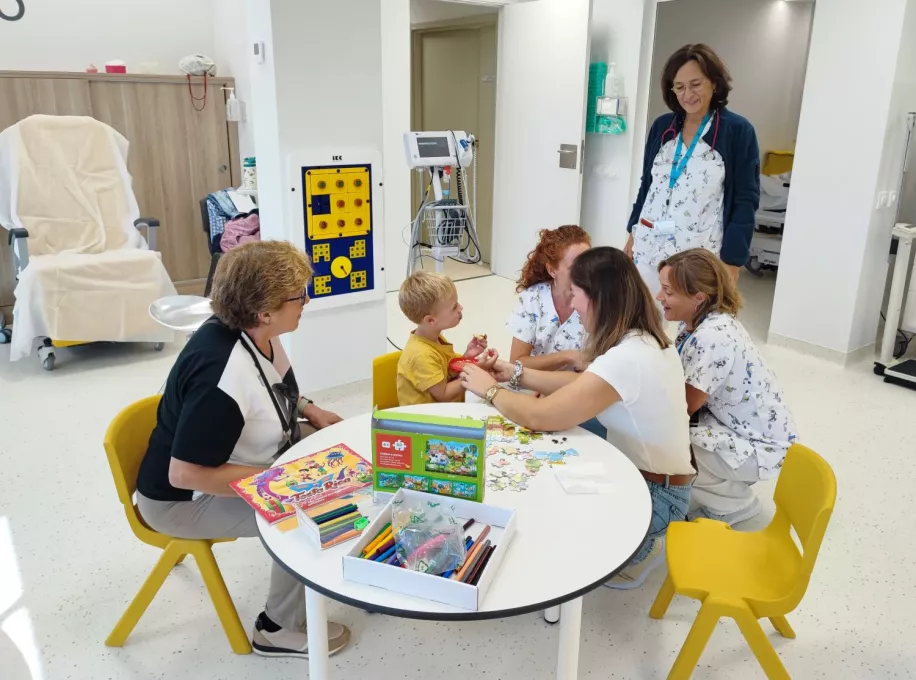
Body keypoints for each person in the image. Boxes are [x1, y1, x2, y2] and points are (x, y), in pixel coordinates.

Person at [135, 241, 350, 659]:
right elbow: (185, 474)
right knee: (304, 514)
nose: (306, 301)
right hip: (180, 499)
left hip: (243, 456)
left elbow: (276, 388)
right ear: (264, 311)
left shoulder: (255, 333)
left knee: (336, 449)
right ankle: (276, 629)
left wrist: (310, 410)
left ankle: (346, 562)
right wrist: (281, 484)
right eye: (299, 296)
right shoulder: (221, 374)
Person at [461, 247, 693, 589]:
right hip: (652, 480)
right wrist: (514, 373)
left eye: (576, 295)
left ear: (597, 298)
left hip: (657, 498)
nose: (574, 306)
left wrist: (491, 390)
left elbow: (540, 416)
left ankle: (637, 544)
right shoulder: (643, 340)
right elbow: (585, 385)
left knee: (548, 531)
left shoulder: (628, 357)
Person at [656, 248, 798, 525]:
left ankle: (734, 505)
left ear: (698, 297)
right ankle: (722, 489)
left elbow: (683, 406)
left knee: (670, 442)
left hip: (761, 448)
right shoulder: (703, 322)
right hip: (743, 429)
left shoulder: (712, 337)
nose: (659, 297)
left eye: (667, 291)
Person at [624, 43, 760, 297]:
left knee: (689, 331)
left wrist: (733, 261)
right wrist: (633, 233)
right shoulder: (662, 127)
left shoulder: (737, 131)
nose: (687, 94)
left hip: (699, 256)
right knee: (643, 327)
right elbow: (648, 185)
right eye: (679, 87)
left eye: (695, 84)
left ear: (714, 83)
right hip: (649, 247)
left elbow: (745, 199)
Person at [396, 270, 490, 406]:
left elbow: (445, 373)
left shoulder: (434, 337)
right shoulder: (421, 355)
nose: (460, 307)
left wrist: (467, 357)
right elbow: (444, 395)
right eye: (454, 307)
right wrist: (474, 371)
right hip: (427, 422)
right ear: (431, 320)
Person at [506, 225, 591, 371]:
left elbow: (598, 371)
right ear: (552, 270)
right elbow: (516, 363)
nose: (587, 272)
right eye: (576, 267)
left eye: (590, 263)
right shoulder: (533, 299)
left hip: (576, 387)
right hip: (533, 383)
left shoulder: (598, 302)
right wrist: (568, 356)